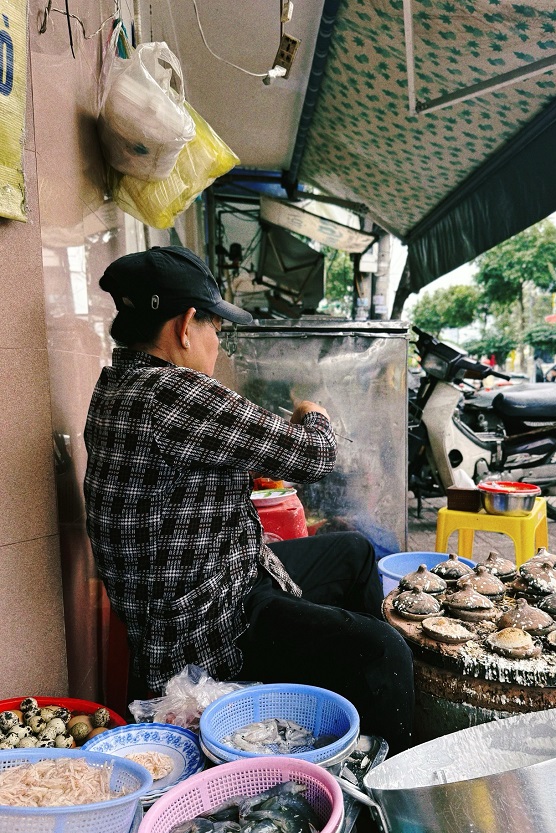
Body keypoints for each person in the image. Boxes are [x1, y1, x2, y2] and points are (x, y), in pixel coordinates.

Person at [83, 246, 414, 753]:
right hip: (209, 622)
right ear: (186, 326)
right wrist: (313, 412)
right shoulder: (172, 392)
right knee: (383, 649)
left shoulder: (116, 385)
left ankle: (342, 708)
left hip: (216, 578)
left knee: (354, 552)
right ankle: (383, 768)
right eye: (216, 328)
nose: (218, 343)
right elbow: (314, 455)